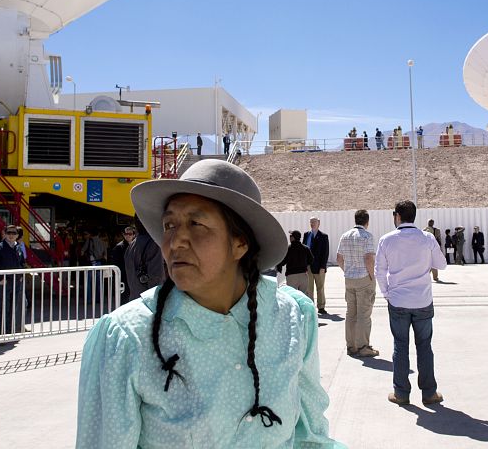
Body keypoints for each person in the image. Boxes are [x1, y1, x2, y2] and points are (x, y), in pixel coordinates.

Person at [76, 159, 345, 448]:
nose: (175, 240)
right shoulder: (128, 338)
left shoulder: (292, 317)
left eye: (196, 223)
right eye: (169, 224)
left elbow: (310, 435)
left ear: (240, 243)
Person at [376, 200, 447, 406]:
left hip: (398, 300)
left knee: (400, 345)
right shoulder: (427, 238)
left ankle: (401, 393)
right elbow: (441, 265)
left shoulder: (386, 240)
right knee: (424, 346)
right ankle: (429, 393)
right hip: (422, 300)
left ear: (397, 216)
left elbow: (380, 271)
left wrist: (387, 293)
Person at [337, 210, 378, 357]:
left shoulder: (345, 236)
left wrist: (346, 271)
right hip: (363, 279)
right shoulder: (367, 236)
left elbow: (339, 258)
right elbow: (368, 258)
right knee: (364, 314)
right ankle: (363, 346)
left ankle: (351, 346)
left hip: (349, 279)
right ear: (367, 222)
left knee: (351, 313)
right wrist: (372, 276)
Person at [0, 224, 26, 335]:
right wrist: (1, 278)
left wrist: (20, 277)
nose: (11, 235)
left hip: (16, 281)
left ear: (17, 235)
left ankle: (10, 329)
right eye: (8, 233)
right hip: (4, 282)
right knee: (3, 306)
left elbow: (22, 263)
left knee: (13, 306)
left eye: (13, 233)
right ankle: (3, 330)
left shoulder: (18, 247)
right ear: (5, 234)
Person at [303, 216, 330, 314]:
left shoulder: (323, 236)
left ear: (319, 223)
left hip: (319, 267)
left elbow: (325, 253)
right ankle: (310, 307)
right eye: (310, 222)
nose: (312, 224)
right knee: (309, 288)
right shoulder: (306, 235)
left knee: (320, 287)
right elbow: (303, 251)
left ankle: (321, 307)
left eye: (314, 222)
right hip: (308, 267)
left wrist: (323, 266)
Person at [276, 230, 313, 295]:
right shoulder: (306, 248)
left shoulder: (288, 249)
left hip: (291, 276)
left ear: (293, 238)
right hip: (303, 275)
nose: (290, 237)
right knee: (303, 297)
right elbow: (311, 260)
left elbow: (283, 261)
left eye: (291, 236)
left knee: (292, 296)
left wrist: (278, 267)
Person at [111, 226, 134, 305]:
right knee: (124, 299)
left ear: (133, 235)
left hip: (133, 277)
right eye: (125, 234)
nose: (127, 236)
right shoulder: (118, 247)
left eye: (130, 234)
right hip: (123, 277)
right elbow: (116, 263)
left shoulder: (136, 246)